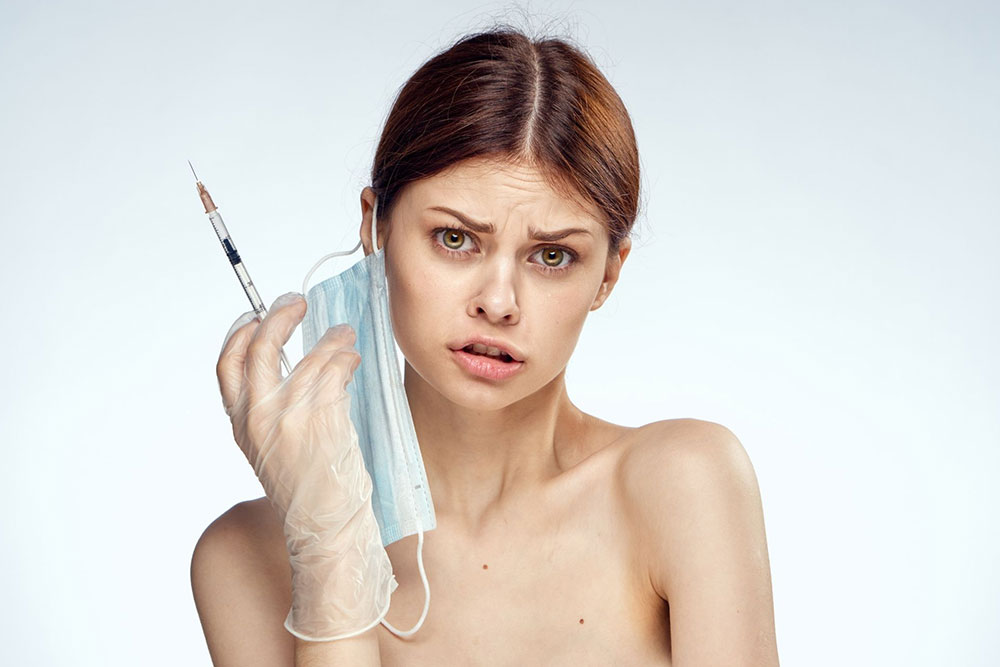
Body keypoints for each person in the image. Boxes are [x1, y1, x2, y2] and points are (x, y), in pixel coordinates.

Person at [191, 27, 779, 666]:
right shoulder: (244, 556)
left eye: (552, 255)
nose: (499, 302)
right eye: (454, 239)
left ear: (608, 274)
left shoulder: (683, 485)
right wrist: (330, 554)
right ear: (375, 227)